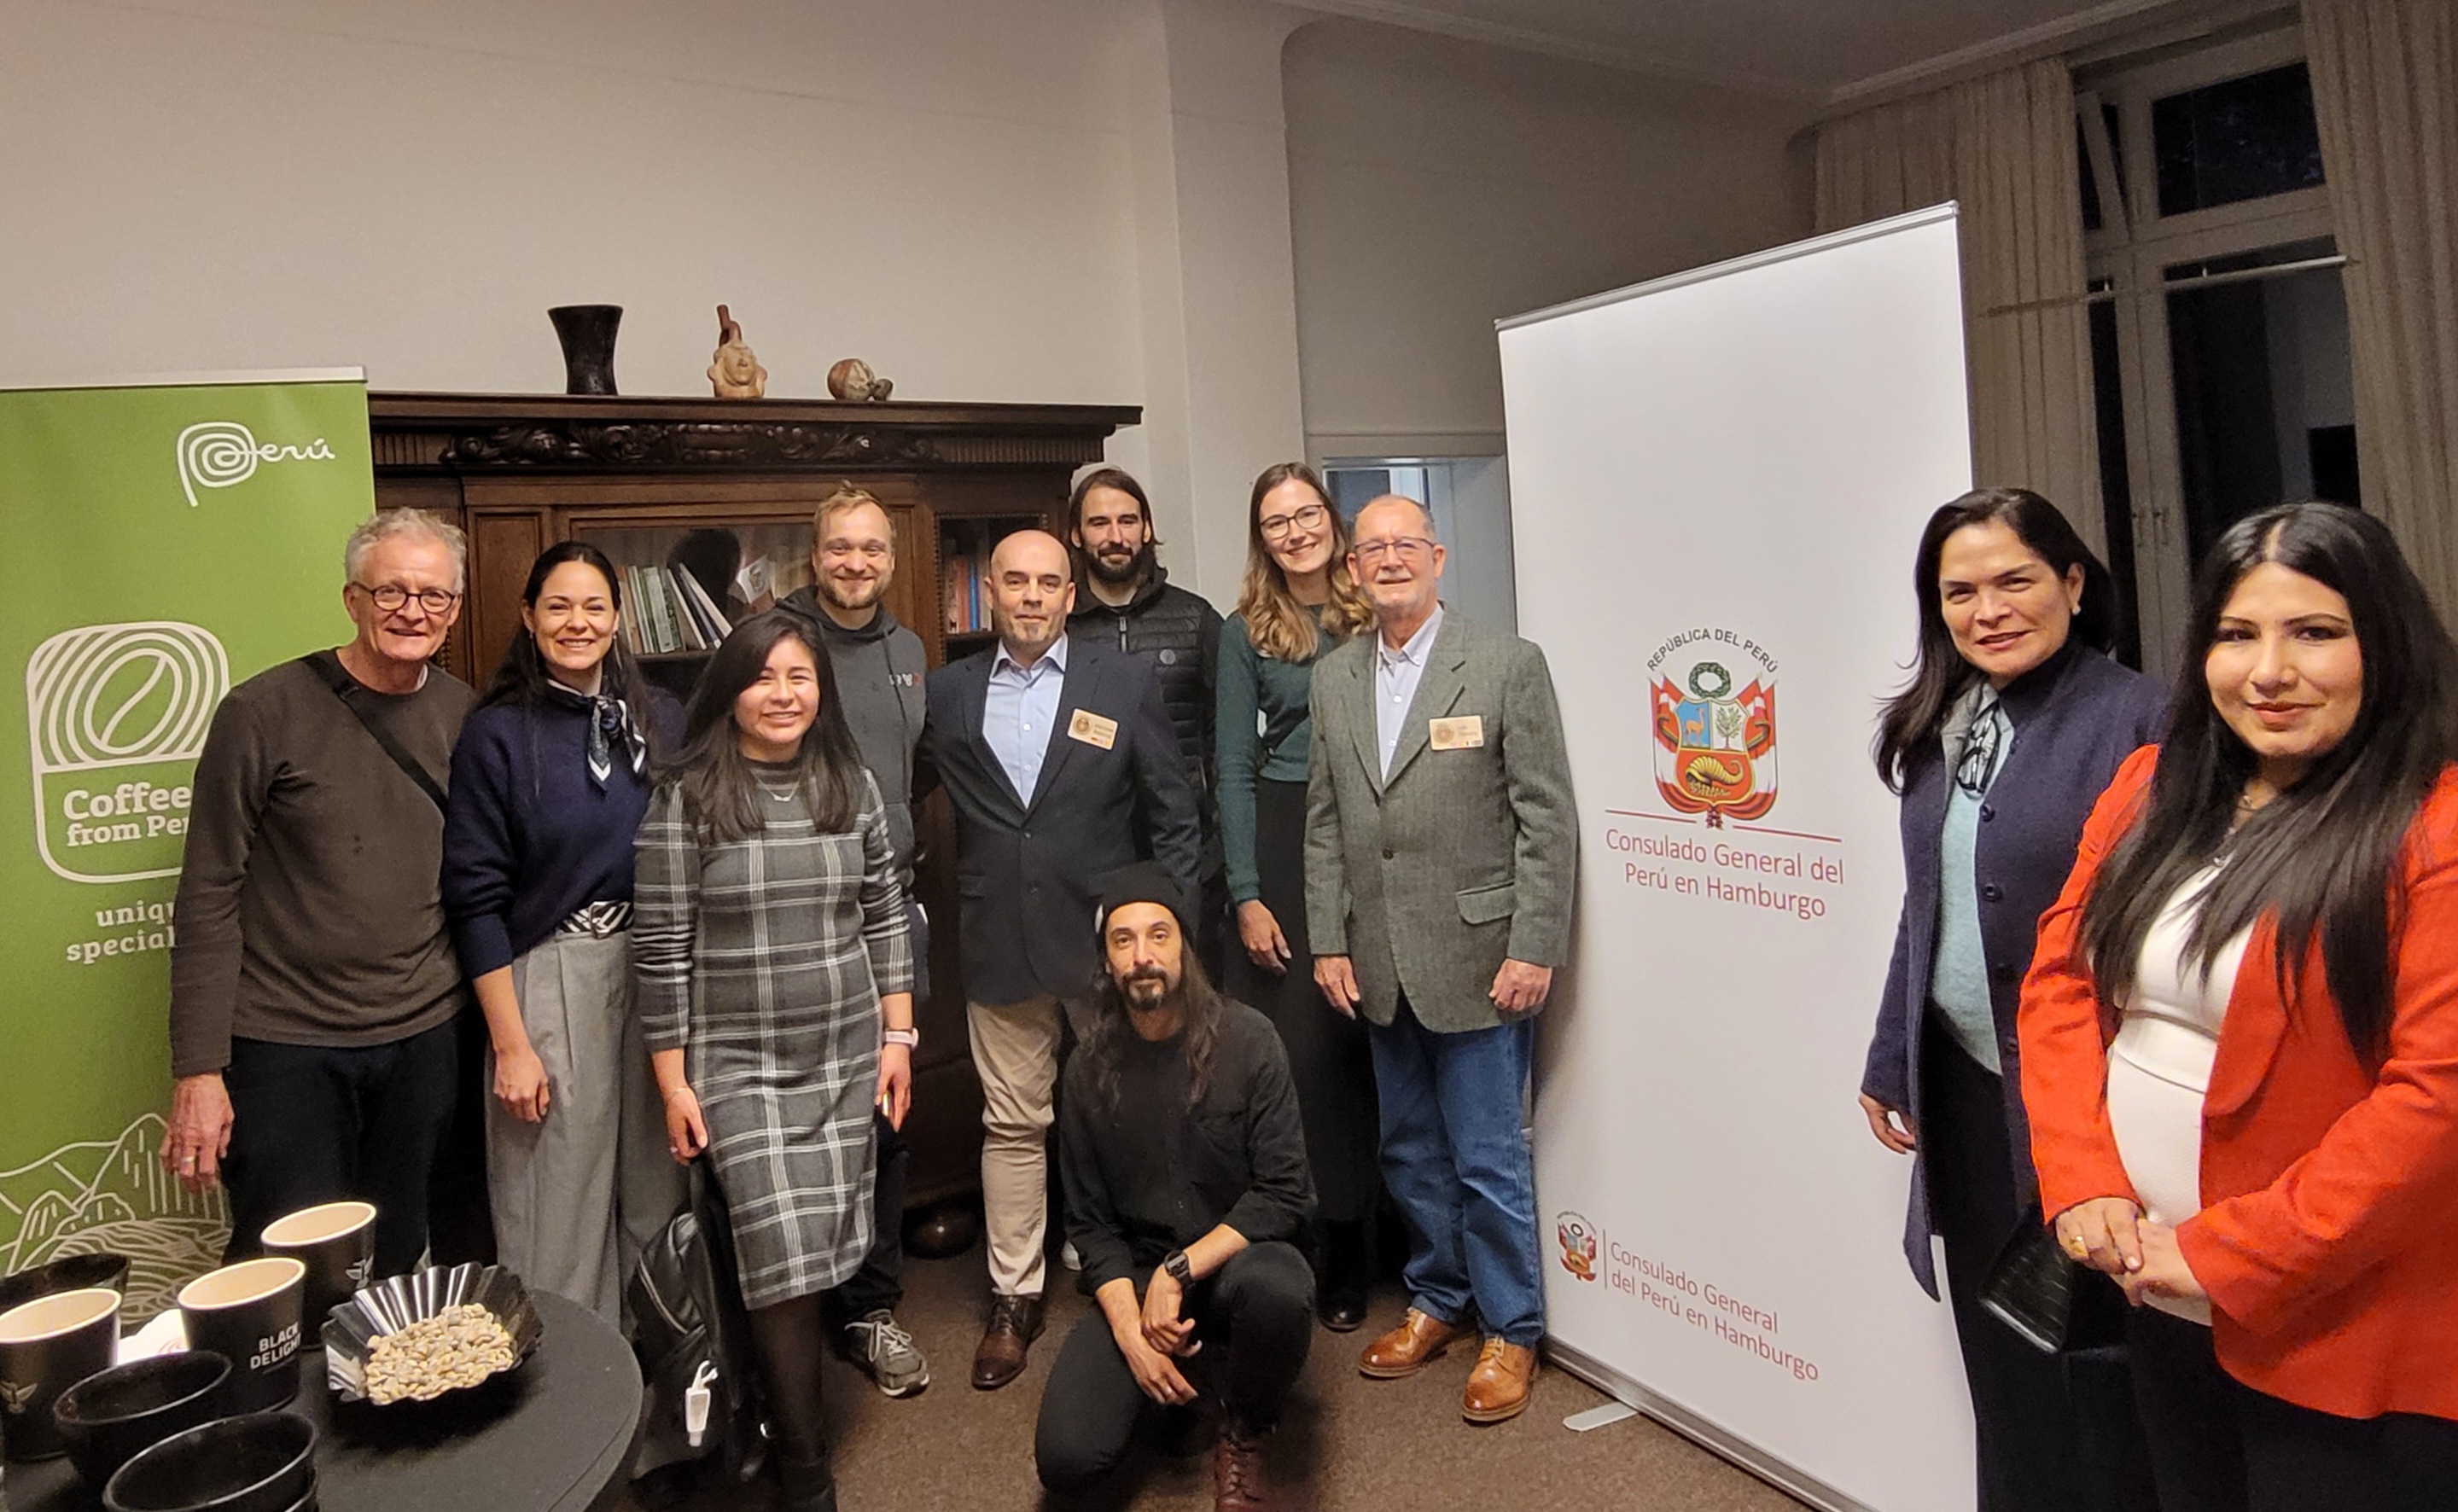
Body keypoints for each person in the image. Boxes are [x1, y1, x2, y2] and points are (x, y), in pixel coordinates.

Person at [2022, 502, 2458, 1512]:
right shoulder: (2153, 784)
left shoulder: (2430, 827)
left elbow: (2434, 1100)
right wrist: (2082, 1177)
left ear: (2383, 643)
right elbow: (2063, 981)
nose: (2268, 670)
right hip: (2157, 1292)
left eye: (2315, 632)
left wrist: (2223, 1252)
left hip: (2340, 1322)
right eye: (2235, 634)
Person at [1858, 490, 2164, 1512]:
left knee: (2102, 1380)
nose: (1987, 608)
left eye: (2014, 580)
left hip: (2089, 1109)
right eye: (1959, 591)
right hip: (1968, 1093)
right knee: (2008, 1369)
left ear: (2073, 584)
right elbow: (1930, 899)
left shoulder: (2142, 718)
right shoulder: (1948, 720)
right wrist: (1891, 1052)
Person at [633, 610, 916, 1512]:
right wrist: (675, 1081)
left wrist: (899, 1037)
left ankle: (762, 1407)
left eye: (800, 677)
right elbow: (663, 946)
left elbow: (883, 912)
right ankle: (805, 1464)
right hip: (737, 1067)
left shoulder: (850, 780)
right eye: (764, 677)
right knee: (782, 1258)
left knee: (825, 1249)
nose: (784, 694)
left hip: (842, 1054)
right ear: (732, 689)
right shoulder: (686, 794)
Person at [1303, 495, 1576, 1425]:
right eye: (1370, 547)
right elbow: (1328, 821)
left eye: (1404, 544)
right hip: (1379, 958)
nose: (1388, 560)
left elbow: (1547, 817)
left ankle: (1513, 1326)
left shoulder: (1505, 665)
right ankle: (1438, 1298)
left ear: (1439, 555)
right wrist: (1330, 936)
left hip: (1479, 955)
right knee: (1408, 1149)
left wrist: (1534, 943)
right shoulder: (1336, 676)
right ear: (1352, 568)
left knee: (1489, 1158)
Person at [917, 528, 1203, 1391]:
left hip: (1106, 944)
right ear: (987, 595)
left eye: (1049, 582)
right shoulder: (948, 693)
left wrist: (1168, 926)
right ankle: (1014, 1294)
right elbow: (899, 796)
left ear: (1069, 594)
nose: (1033, 595)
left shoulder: (1121, 681)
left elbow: (1174, 815)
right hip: (1000, 939)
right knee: (1013, 1120)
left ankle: (1128, 1258)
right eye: (1016, 581)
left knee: (1121, 1105)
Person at [161, 508, 477, 1276]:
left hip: (423, 1038)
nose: (413, 611)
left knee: (400, 1257)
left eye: (433, 596)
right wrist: (199, 1070)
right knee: (284, 1264)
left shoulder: (467, 717)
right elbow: (208, 891)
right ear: (353, 599)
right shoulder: (262, 713)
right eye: (392, 592)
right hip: (286, 1045)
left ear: (455, 609)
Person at [441, 541, 684, 1323]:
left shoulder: (658, 719)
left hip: (653, 970)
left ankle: (666, 1400)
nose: (577, 623)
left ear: (619, 620)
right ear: (529, 617)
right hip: (550, 977)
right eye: (558, 606)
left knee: (657, 1195)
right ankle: (575, 1413)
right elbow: (473, 898)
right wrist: (511, 1045)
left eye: (594, 607)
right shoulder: (498, 735)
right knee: (558, 1207)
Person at [1035, 864, 1316, 1512]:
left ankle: (1244, 1426)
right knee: (1068, 1460)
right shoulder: (1086, 1068)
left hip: (1239, 1261)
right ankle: (1166, 1373)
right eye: (1123, 940)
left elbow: (1284, 1191)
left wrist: (1181, 1269)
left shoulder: (1250, 1042)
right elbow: (1089, 1224)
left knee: (1281, 1290)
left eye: (1159, 936)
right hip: (1137, 1278)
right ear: (1106, 961)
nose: (1143, 957)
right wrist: (1132, 1338)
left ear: (1184, 949)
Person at [1215, 462, 1381, 1331]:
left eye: (1307, 513)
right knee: (1308, 1055)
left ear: (1332, 517)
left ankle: (1377, 1232)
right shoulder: (1246, 630)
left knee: (1372, 1039)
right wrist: (1246, 891)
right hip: (1283, 832)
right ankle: (1321, 1241)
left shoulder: (1378, 601)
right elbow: (1233, 769)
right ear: (1262, 537)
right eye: (1275, 521)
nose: (1295, 531)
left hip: (1373, 821)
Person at [779, 484, 932, 1396]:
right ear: (815, 555)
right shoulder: (772, 644)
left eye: (872, 549)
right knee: (799, 1115)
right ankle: (798, 1306)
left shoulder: (910, 649)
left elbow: (923, 772)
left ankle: (872, 1304)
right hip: (800, 922)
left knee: (887, 1111)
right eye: (841, 548)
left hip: (894, 912)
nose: (857, 563)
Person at [1067, 467, 1228, 974]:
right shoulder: (1061, 628)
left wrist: (1218, 844)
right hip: (1091, 856)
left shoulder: (1197, 618)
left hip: (1189, 854)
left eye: (1127, 521)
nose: (1115, 537)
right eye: (1099, 523)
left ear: (1147, 529)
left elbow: (1226, 739)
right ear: (1076, 534)